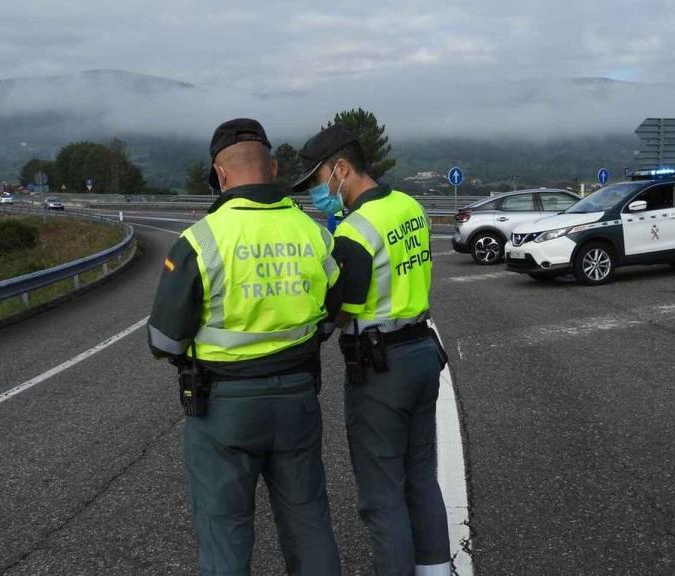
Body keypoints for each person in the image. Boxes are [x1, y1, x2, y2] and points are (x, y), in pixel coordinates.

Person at [148, 118, 342, 576]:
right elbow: (330, 317)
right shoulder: (314, 233)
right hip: (297, 397)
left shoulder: (201, 240)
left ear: (219, 174)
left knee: (225, 532)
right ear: (273, 167)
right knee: (308, 520)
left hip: (223, 409)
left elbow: (163, 340)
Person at [293, 125, 452, 576]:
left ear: (341, 169)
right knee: (420, 479)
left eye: (317, 181)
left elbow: (338, 314)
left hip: (381, 368)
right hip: (422, 349)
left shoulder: (355, 233)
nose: (315, 194)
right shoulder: (410, 206)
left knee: (382, 496)